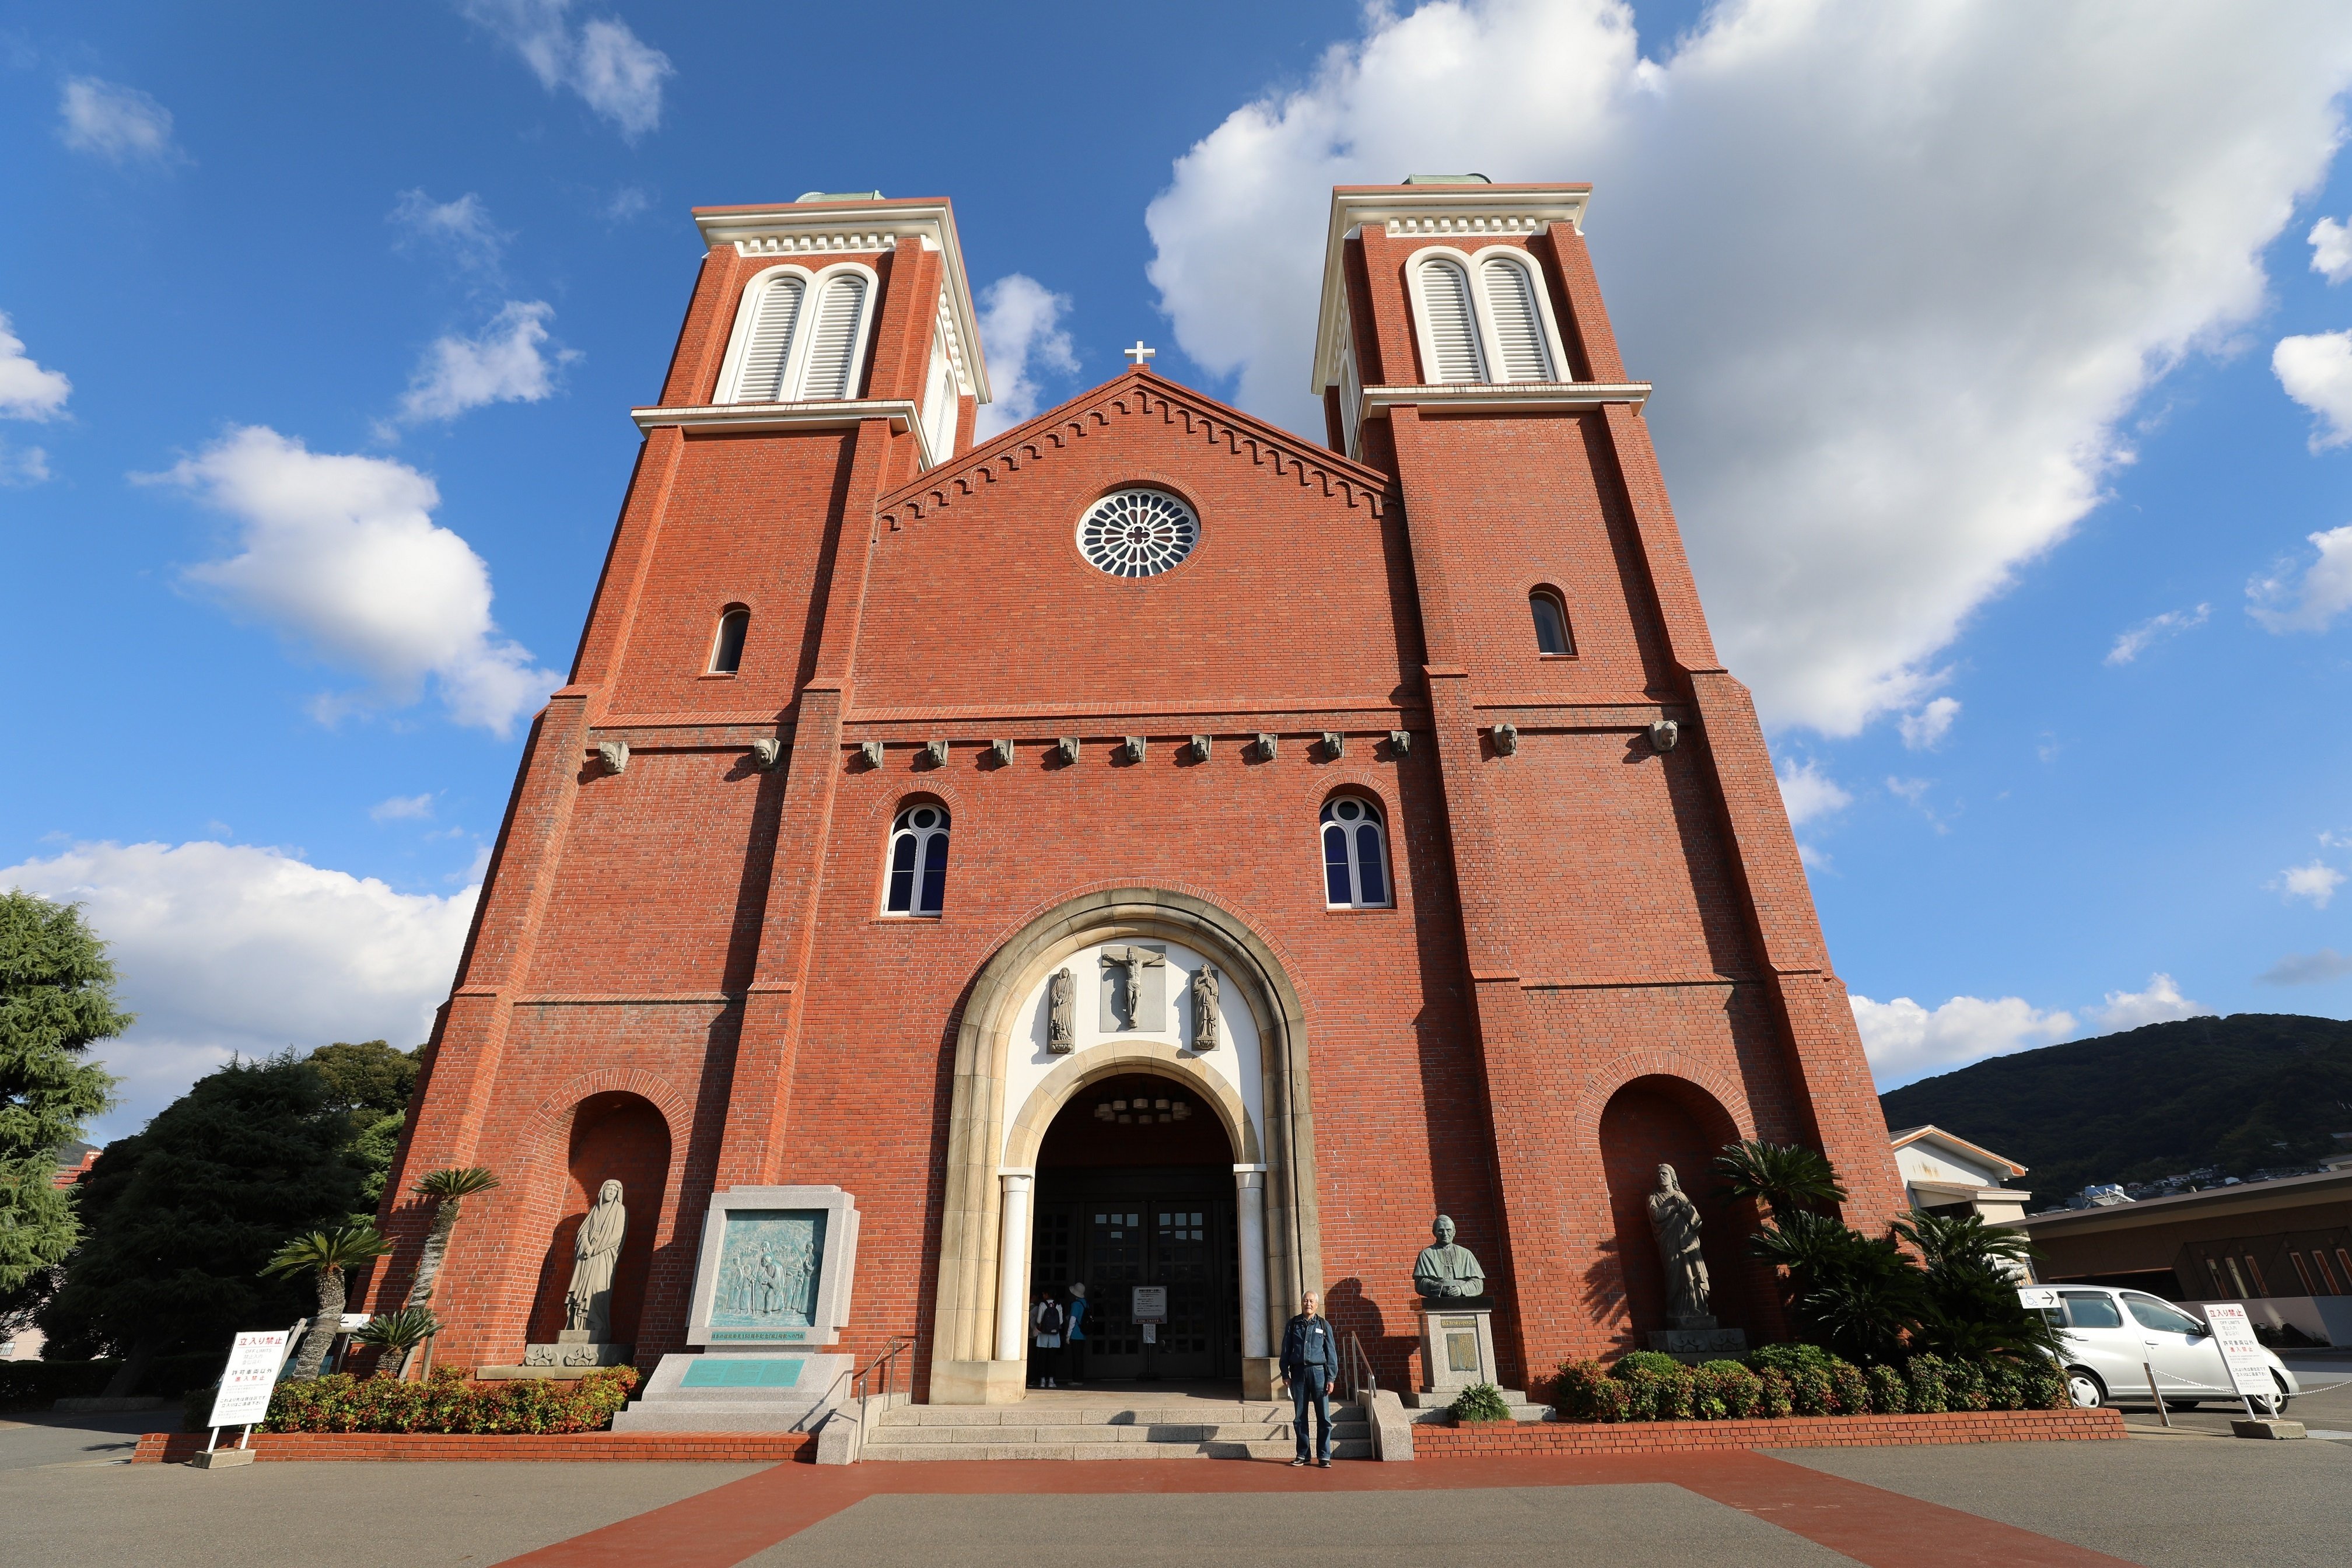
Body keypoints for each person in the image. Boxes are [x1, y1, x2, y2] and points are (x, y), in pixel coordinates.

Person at [1279, 1289, 1339, 1467]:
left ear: (1317, 1305)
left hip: (1319, 1372)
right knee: (1299, 1417)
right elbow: (1285, 1350)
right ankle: (1303, 1454)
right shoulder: (1293, 1324)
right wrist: (1285, 1373)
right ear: (1302, 1303)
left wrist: (1331, 1377)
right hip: (1298, 1374)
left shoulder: (1323, 1325)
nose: (1308, 1304)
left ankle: (1324, 1456)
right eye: (1306, 1301)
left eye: (1312, 1301)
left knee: (1324, 1417)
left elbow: (1331, 1353)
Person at [1030, 1286, 1066, 1388]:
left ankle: (1042, 1380)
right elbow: (1061, 1322)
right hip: (1054, 1335)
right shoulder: (1058, 1305)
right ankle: (1051, 1380)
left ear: (1046, 1294)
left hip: (1043, 1335)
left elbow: (1039, 1321)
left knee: (1042, 1358)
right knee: (1052, 1358)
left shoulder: (1042, 1304)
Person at [1063, 1282, 1089, 1388]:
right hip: (1083, 1334)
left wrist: (1068, 1335)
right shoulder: (1085, 1303)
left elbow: (1073, 1320)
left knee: (1076, 1358)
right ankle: (1079, 1378)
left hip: (1075, 1334)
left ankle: (1077, 1379)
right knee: (1080, 1358)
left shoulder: (1076, 1304)